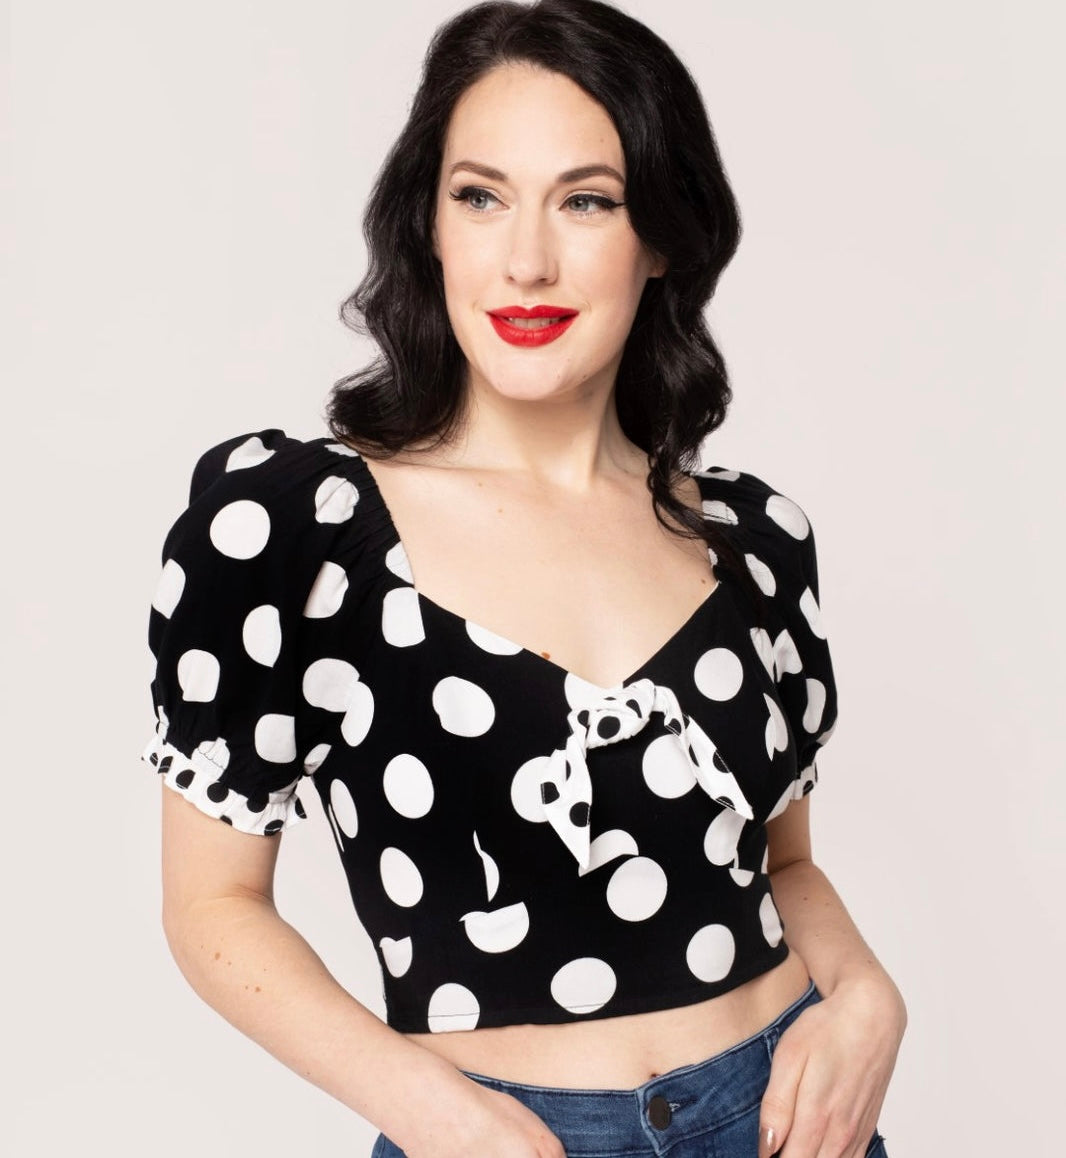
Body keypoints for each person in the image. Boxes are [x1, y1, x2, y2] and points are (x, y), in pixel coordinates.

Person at [141, 2, 907, 1156]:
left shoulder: (753, 540)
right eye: (481, 195)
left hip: (783, 1122)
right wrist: (430, 1112)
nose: (527, 259)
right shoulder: (292, 526)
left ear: (659, 235)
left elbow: (780, 864)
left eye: (586, 200)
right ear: (430, 226)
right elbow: (211, 907)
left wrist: (866, 1001)